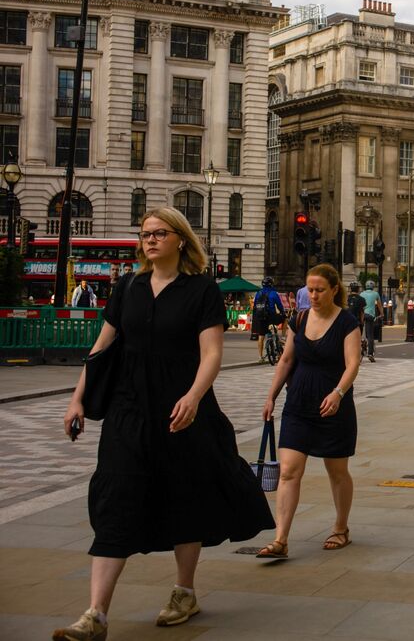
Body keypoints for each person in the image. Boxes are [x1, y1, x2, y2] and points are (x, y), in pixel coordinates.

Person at [56, 207, 273, 640]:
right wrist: (77, 398)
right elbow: (103, 348)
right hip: (129, 410)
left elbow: (212, 353)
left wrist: (193, 396)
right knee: (116, 496)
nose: (150, 240)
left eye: (159, 233)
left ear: (180, 239)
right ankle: (96, 614)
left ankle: (183, 591)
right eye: (145, 234)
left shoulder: (201, 290)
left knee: (184, 494)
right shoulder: (127, 287)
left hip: (182, 412)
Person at [257, 264, 363, 560]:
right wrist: (271, 397)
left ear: (333, 290)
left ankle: (341, 527)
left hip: (333, 405)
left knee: (337, 470)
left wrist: (338, 393)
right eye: (310, 290)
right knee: (289, 471)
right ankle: (280, 539)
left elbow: (353, 363)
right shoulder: (299, 319)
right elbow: (287, 360)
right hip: (299, 403)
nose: (313, 295)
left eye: (319, 290)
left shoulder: (347, 322)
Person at [251, 278, 286, 362]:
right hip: (271, 317)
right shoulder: (274, 293)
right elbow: (279, 305)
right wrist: (282, 313)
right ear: (271, 284)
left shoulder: (258, 293)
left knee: (261, 336)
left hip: (260, 317)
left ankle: (260, 357)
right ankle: (283, 338)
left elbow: (255, 306)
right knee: (284, 319)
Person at [359, 281, 383, 362]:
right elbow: (379, 305)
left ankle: (360, 349)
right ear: (373, 287)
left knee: (360, 334)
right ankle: (370, 353)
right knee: (370, 335)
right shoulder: (376, 294)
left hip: (362, 315)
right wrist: (382, 314)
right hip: (370, 316)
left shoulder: (361, 294)